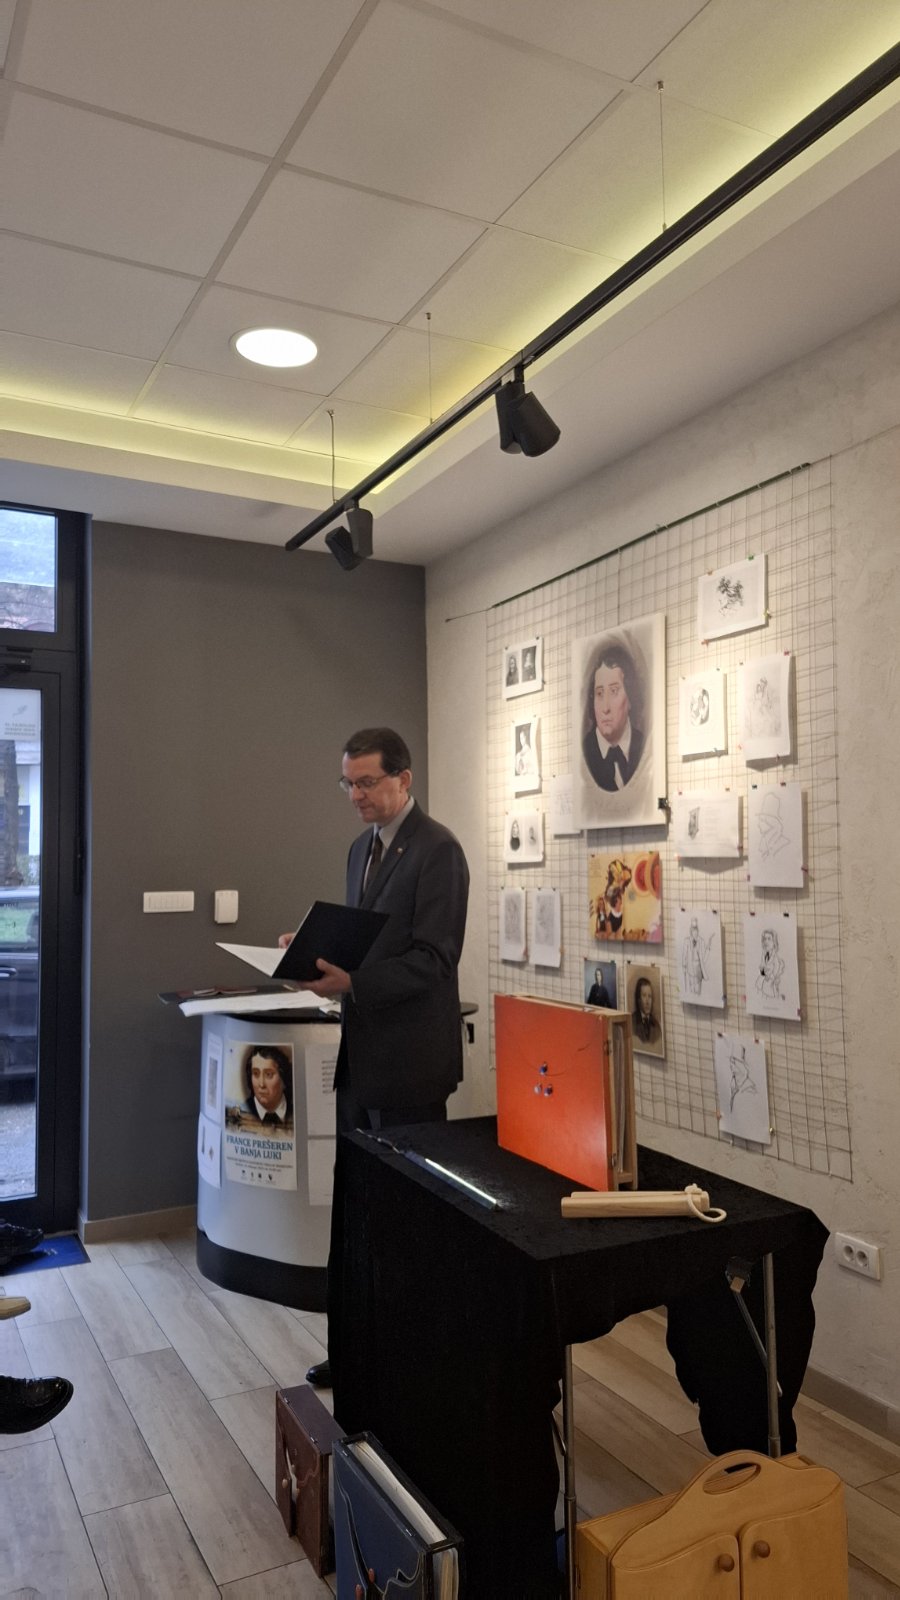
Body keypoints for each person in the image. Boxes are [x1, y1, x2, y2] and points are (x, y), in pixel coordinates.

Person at [285, 727, 469, 1388]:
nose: (355, 795)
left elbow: (435, 959)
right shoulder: (359, 849)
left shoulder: (439, 850)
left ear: (404, 779)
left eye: (366, 782)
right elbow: (368, 945)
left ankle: (412, 1366)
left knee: (408, 1224)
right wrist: (316, 954)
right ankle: (357, 1351)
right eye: (348, 783)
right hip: (360, 1063)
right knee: (357, 1215)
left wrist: (354, 982)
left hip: (410, 1068)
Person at [581, 641, 645, 791]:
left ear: (630, 697)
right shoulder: (585, 753)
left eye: (614, 691)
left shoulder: (644, 746)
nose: (605, 708)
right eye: (599, 693)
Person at [241, 1045, 293, 1125]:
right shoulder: (243, 1110)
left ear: (283, 1078)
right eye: (256, 1073)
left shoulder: (296, 1110)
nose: (261, 1084)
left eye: (269, 1074)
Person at [632, 976, 661, 1045]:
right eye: (644, 996)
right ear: (639, 999)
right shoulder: (632, 1022)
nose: (647, 1001)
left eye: (650, 996)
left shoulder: (656, 1025)